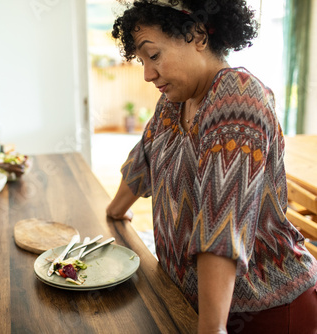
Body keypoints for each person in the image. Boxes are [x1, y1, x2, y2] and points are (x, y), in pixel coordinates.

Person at [106, 1, 317, 333]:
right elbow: (143, 160)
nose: (148, 74)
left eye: (154, 56)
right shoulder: (174, 101)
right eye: (142, 61)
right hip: (193, 302)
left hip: (261, 309)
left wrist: (212, 328)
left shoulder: (238, 98)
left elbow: (222, 224)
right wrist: (115, 213)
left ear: (198, 35)